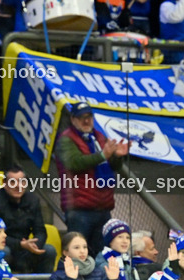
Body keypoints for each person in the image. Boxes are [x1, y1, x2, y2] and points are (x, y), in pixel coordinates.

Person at [52, 102, 129, 257]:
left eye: (89, 117)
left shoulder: (99, 136)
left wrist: (118, 157)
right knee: (77, 255)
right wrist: (103, 155)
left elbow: (111, 165)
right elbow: (75, 163)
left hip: (103, 207)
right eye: (82, 118)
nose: (86, 121)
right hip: (79, 209)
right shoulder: (65, 140)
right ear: (73, 119)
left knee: (103, 255)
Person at [0, 166, 56, 274]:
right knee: (3, 251)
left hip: (26, 248)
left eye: (22, 182)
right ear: (4, 183)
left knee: (49, 250)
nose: (19, 186)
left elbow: (40, 230)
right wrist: (20, 244)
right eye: (13, 182)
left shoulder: (33, 200)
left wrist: (35, 245)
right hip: (5, 246)